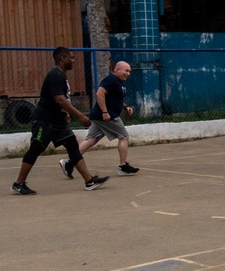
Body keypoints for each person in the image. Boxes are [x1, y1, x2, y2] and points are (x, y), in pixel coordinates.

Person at [11, 47, 109, 194]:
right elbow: (60, 99)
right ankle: (19, 184)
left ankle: (89, 181)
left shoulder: (61, 75)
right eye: (71, 57)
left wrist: (65, 114)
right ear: (62, 58)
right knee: (36, 148)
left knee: (73, 146)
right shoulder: (55, 75)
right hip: (45, 120)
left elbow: (61, 100)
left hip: (58, 120)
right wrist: (80, 115)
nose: (74, 60)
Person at [60, 61, 138, 178]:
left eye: (129, 71)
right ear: (116, 70)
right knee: (124, 136)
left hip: (98, 117)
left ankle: (69, 162)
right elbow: (100, 93)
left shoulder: (118, 82)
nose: (128, 73)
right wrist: (105, 112)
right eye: (125, 70)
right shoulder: (111, 80)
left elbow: (115, 98)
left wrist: (125, 107)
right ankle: (123, 166)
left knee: (91, 140)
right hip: (107, 116)